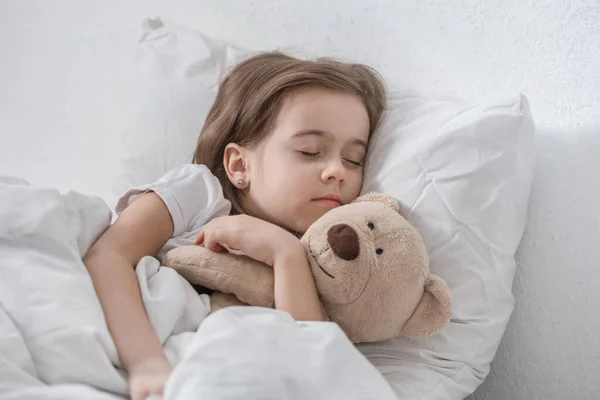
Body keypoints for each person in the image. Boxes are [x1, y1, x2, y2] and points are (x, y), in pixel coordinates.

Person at [83, 51, 386, 400]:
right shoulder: (200, 194)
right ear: (239, 165)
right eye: (310, 150)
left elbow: (312, 359)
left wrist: (285, 254)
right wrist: (147, 365)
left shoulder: (322, 253)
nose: (337, 171)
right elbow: (107, 257)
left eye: (353, 160)